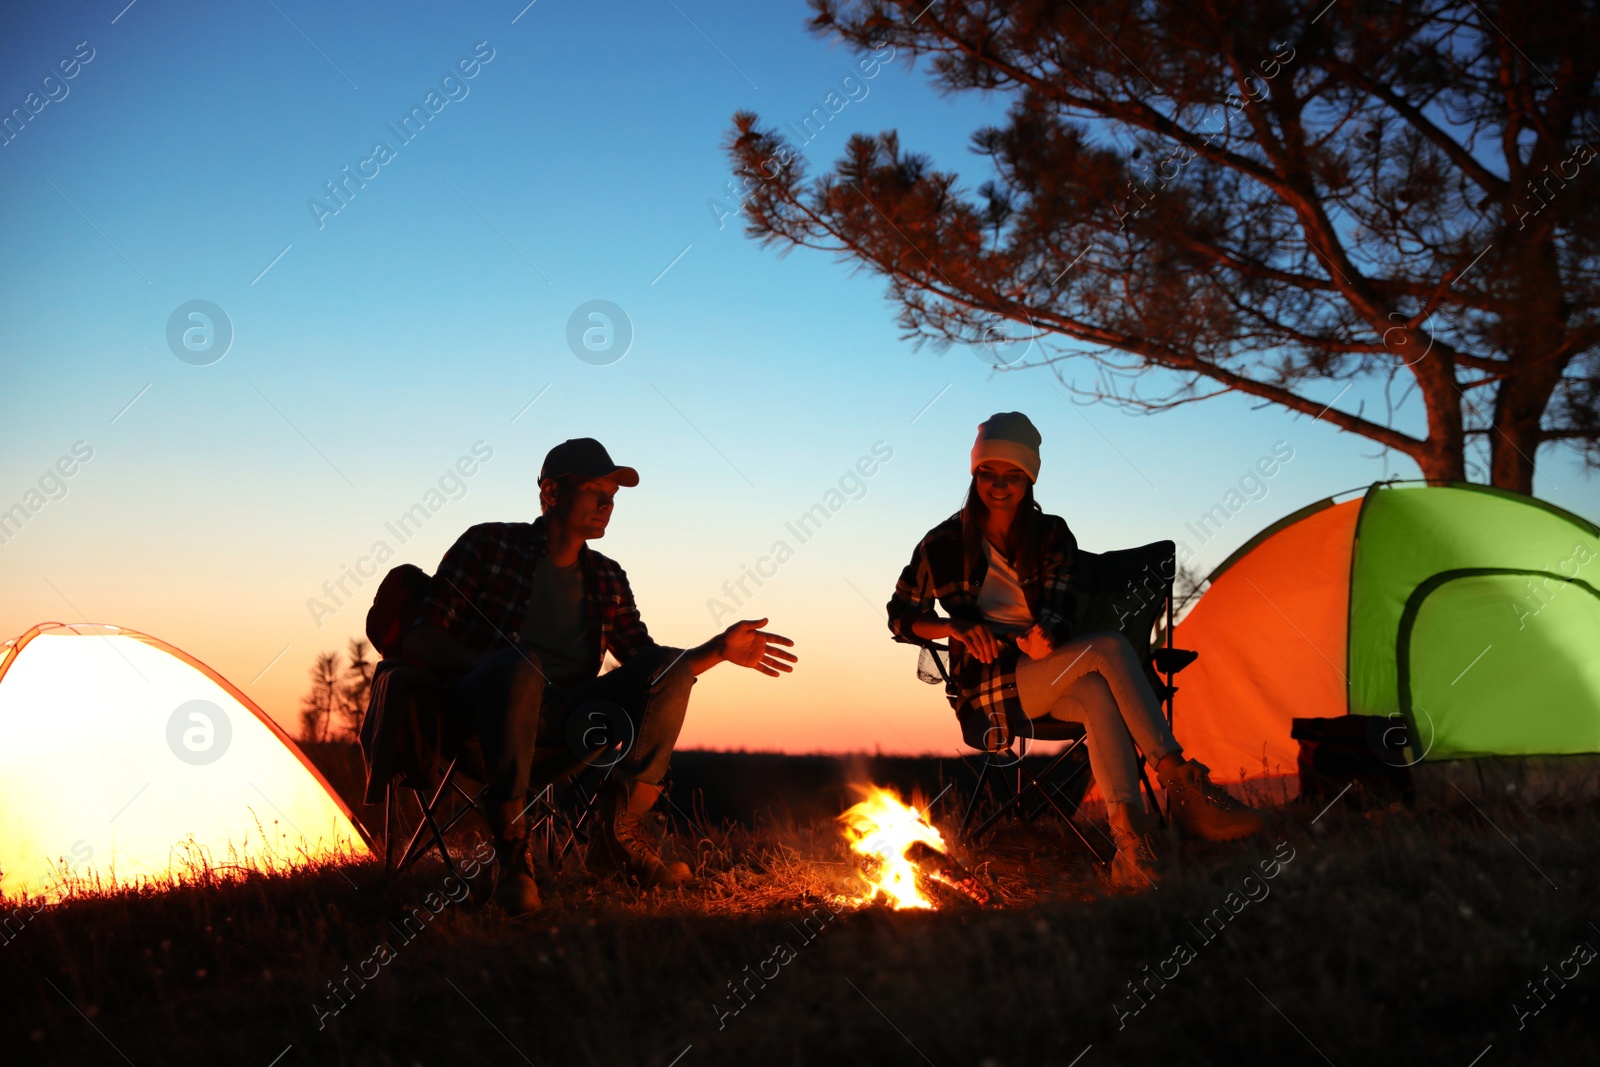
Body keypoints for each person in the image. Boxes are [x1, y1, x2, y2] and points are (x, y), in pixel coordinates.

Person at [402, 437, 797, 915]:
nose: (607, 505)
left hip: (569, 726)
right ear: (550, 493)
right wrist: (500, 667)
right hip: (480, 721)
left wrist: (718, 651)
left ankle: (617, 838)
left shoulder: (608, 577)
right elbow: (422, 637)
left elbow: (647, 670)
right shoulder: (489, 545)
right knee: (519, 666)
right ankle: (513, 859)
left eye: (612, 496)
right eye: (595, 491)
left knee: (668, 667)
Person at [886, 412, 1263, 891]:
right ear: (974, 472)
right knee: (1108, 646)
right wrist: (952, 626)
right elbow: (900, 615)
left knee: (1098, 696)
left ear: (1030, 479)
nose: (999, 485)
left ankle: (1131, 852)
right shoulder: (941, 543)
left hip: (1048, 668)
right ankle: (1182, 785)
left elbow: (1061, 612)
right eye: (988, 472)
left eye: (1014, 475)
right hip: (986, 687)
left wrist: (1045, 636)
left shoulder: (1051, 535)